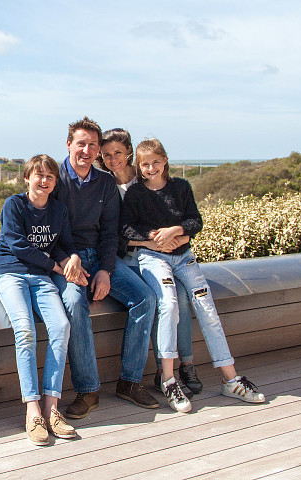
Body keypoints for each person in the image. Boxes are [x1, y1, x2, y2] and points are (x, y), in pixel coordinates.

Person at [120, 137, 266, 413]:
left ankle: (231, 379)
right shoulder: (136, 193)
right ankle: (168, 379)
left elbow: (194, 221)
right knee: (170, 304)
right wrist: (154, 237)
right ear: (138, 166)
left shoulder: (181, 187)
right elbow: (127, 229)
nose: (151, 168)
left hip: (184, 256)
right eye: (145, 164)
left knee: (207, 309)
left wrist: (174, 232)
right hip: (153, 258)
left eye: (156, 162)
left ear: (165, 161)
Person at [51, 117, 159, 419]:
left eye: (92, 145)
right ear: (69, 144)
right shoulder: (56, 179)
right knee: (74, 301)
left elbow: (110, 232)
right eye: (80, 143)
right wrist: (65, 258)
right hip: (67, 260)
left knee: (145, 298)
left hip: (98, 257)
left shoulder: (105, 183)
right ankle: (88, 390)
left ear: (97, 150)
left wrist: (105, 270)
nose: (86, 150)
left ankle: (130, 381)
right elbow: (47, 230)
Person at [98, 128, 202, 398]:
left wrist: (176, 236)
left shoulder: (147, 177)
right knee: (160, 299)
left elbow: (178, 215)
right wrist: (148, 243)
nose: (112, 159)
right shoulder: (104, 185)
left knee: (180, 296)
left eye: (118, 153)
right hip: (129, 258)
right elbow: (116, 232)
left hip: (163, 255)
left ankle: (184, 366)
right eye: (106, 154)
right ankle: (161, 372)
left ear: (129, 152)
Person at [0, 154, 81, 445]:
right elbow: (17, 246)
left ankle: (51, 407)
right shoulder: (14, 205)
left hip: (40, 278)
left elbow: (64, 245)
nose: (43, 181)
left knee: (61, 327)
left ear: (55, 183)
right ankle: (32, 410)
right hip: (11, 273)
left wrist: (74, 259)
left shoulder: (58, 210)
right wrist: (57, 267)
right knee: (26, 331)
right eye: (38, 175)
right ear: (27, 178)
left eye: (50, 177)